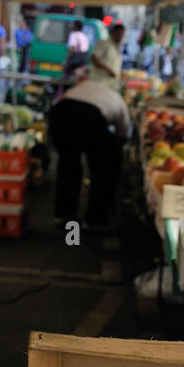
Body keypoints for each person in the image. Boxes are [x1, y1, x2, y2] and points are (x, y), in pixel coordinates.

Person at [48, 78, 131, 229]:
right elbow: (122, 135)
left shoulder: (85, 86)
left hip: (60, 112)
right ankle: (95, 218)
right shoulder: (119, 101)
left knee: (68, 164)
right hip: (90, 116)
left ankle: (64, 215)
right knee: (103, 170)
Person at [89, 23, 125, 88]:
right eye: (119, 33)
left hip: (111, 84)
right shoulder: (103, 43)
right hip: (99, 82)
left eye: (122, 34)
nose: (120, 36)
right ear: (114, 32)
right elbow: (93, 58)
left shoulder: (117, 48)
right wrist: (107, 69)